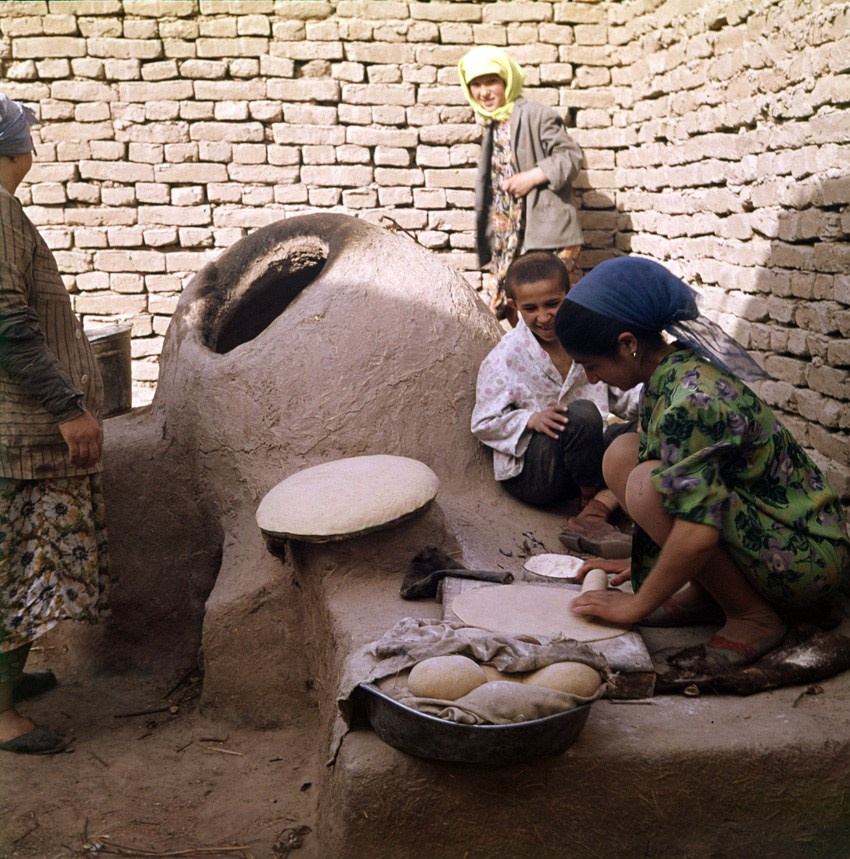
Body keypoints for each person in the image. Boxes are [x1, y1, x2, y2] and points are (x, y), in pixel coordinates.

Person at [555, 256, 850, 668]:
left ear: (628, 344)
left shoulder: (692, 399)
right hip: (763, 530)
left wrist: (638, 603)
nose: (591, 379)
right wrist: (642, 559)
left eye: (592, 365)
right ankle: (709, 590)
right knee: (623, 454)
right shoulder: (666, 374)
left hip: (803, 558)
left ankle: (753, 617)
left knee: (645, 484)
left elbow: (697, 529)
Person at [0, 95, 109, 754]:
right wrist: (68, 409)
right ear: (16, 150)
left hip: (13, 432)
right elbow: (8, 323)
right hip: (18, 438)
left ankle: (7, 683)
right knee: (15, 571)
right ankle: (1, 714)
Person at [471, 251, 640, 558]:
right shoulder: (505, 357)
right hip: (537, 474)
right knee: (582, 414)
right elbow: (483, 422)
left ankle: (593, 513)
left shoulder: (585, 342)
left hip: (585, 460)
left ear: (569, 294)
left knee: (645, 428)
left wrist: (657, 397)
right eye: (531, 308)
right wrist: (529, 420)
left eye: (552, 304)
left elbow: (623, 395)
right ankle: (592, 500)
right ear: (514, 307)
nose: (544, 316)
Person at [458, 45, 583, 324]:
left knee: (556, 315)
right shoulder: (493, 124)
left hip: (547, 236)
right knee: (513, 311)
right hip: (510, 238)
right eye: (476, 84)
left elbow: (571, 157)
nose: (484, 92)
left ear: (507, 80)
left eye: (491, 81)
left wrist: (533, 176)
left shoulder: (536, 115)